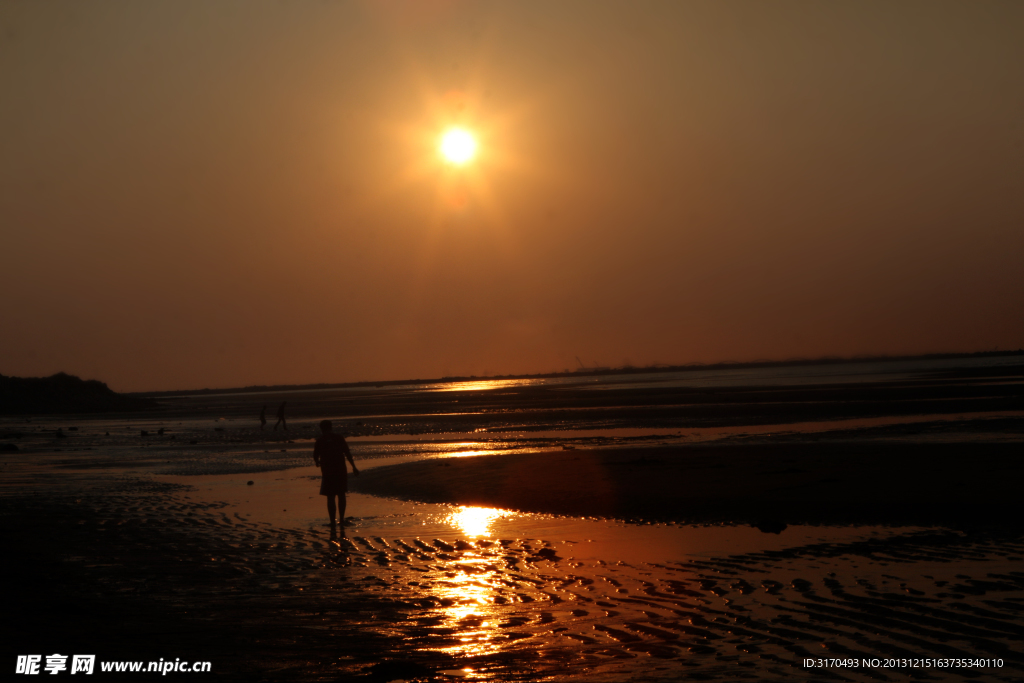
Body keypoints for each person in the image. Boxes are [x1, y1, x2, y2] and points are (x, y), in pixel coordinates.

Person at [313, 420, 358, 533]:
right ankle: (342, 519)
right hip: (340, 470)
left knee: (330, 496)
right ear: (331, 427)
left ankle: (333, 521)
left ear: (322, 429)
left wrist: (317, 462)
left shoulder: (320, 440)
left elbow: (315, 456)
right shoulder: (339, 438)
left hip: (328, 471)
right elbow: (347, 453)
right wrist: (354, 467)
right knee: (341, 494)